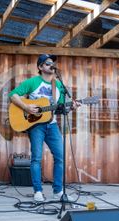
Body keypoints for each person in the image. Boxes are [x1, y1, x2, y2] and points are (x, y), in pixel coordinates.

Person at [9, 54, 79, 202]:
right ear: (40, 67)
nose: (51, 65)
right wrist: (26, 107)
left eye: (52, 63)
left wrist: (71, 107)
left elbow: (60, 109)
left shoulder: (58, 85)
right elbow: (13, 95)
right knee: (36, 158)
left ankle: (58, 191)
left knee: (60, 157)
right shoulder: (33, 82)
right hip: (36, 125)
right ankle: (38, 191)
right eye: (47, 63)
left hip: (52, 124)